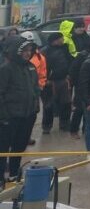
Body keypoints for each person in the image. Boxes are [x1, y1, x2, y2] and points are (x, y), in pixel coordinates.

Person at [0, 38, 40, 183]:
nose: (28, 53)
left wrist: (35, 107)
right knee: (3, 148)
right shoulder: (6, 68)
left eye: (30, 50)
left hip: (28, 115)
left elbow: (35, 88)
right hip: (10, 117)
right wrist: (3, 116)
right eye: (25, 50)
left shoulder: (31, 67)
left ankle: (14, 173)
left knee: (19, 146)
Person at [41, 32, 72, 134]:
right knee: (49, 105)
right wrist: (46, 79)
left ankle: (65, 124)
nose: (63, 40)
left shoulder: (64, 49)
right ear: (55, 40)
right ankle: (46, 126)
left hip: (63, 80)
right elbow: (42, 68)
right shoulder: (45, 51)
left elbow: (69, 62)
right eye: (61, 39)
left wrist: (68, 74)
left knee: (66, 103)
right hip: (50, 82)